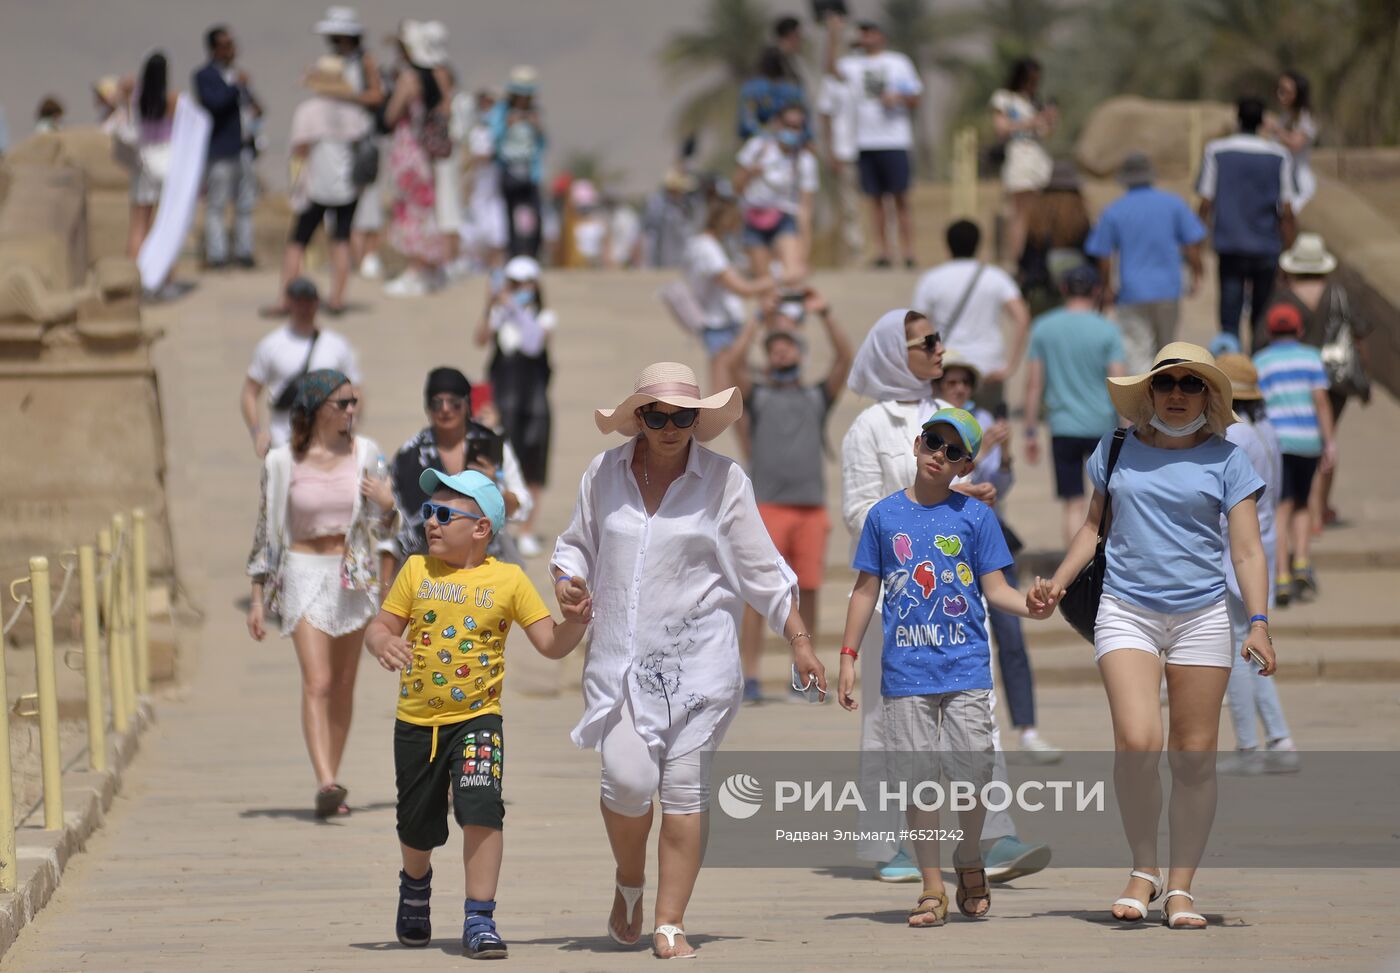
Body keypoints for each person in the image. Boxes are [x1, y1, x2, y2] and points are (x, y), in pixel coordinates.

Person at [550, 362, 825, 959]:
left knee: (683, 793)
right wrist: (568, 582)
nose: (671, 428)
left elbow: (762, 568)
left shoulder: (725, 481)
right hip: (623, 665)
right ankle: (630, 880)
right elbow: (575, 546)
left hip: (700, 667)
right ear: (639, 419)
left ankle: (670, 920)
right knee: (627, 782)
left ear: (699, 420)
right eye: (658, 417)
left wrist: (799, 639)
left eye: (683, 417)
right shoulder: (603, 473)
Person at [1029, 343, 1274, 929]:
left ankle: (1181, 888)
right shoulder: (1116, 448)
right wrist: (1057, 583)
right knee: (1138, 742)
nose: (1178, 394)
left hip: (1202, 616)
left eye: (1192, 384)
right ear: (1150, 392)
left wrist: (1259, 622)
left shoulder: (1229, 460)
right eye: (1168, 383)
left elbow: (1246, 550)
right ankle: (1144, 869)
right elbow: (1093, 528)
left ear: (1208, 397)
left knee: (1193, 758)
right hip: (1125, 610)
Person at [841, 309, 1050, 885]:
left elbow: (975, 482)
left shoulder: (945, 411)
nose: (940, 349)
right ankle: (893, 845)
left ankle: (991, 836)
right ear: (894, 352)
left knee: (976, 727)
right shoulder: (869, 425)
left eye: (938, 339)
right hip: (896, 600)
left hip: (956, 604)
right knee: (890, 730)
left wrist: (965, 493)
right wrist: (927, 502)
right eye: (927, 341)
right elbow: (857, 511)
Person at [364, 469, 589, 957]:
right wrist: (382, 642)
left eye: (444, 515)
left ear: (482, 528)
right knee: (416, 823)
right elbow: (380, 625)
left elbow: (550, 642)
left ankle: (479, 917)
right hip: (417, 723)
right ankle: (415, 886)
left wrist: (575, 623)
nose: (431, 523)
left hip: (479, 719)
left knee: (483, 806)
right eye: (428, 513)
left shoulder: (509, 580)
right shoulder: (416, 571)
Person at [246, 369, 399, 818]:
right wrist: (256, 597)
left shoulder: (367, 453)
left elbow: (385, 530)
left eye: (354, 402)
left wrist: (388, 505)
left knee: (345, 683)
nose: (352, 410)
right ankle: (325, 780)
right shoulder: (280, 461)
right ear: (316, 409)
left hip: (352, 573)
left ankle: (332, 780)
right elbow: (264, 532)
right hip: (302, 570)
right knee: (319, 681)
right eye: (342, 403)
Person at [714, 289, 852, 703]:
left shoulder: (816, 396)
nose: (781, 351)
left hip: (810, 508)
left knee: (808, 591)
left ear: (800, 353)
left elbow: (844, 359)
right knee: (757, 596)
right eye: (774, 347)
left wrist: (826, 313)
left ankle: (803, 674)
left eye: (787, 345)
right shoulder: (757, 395)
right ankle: (751, 674)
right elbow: (731, 364)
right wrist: (758, 318)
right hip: (767, 508)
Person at [937, 353, 1060, 761]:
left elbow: (997, 488)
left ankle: (1027, 728)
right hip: (947, 544)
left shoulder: (985, 418)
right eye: (952, 382)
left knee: (1011, 634)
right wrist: (982, 449)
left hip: (988, 536)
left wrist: (1004, 454)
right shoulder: (932, 426)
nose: (959, 389)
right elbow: (938, 487)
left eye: (965, 382)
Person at [1214, 354, 1299, 774]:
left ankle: (1249, 747)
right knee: (1251, 648)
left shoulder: (1234, 436)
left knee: (1237, 653)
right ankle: (1279, 739)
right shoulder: (1266, 431)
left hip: (1236, 553)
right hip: (1261, 545)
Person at [1268, 233, 1371, 527]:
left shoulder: (1283, 296)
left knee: (1299, 440)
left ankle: (1297, 503)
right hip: (1335, 379)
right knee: (1327, 439)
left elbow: (1263, 336)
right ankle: (1319, 507)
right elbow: (1359, 333)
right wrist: (1364, 372)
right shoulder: (1338, 293)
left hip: (1293, 376)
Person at [386, 367, 532, 573]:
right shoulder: (409, 456)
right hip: (430, 569)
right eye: (437, 403)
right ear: (427, 407)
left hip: (487, 564)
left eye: (454, 402)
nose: (446, 409)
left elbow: (522, 505)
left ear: (467, 404)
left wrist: (495, 490)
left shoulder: (492, 445)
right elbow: (393, 529)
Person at [1022, 265, 1127, 547]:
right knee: (1106, 501)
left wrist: (1030, 431)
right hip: (1102, 426)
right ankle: (1100, 561)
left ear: (1064, 289)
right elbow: (1119, 382)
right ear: (1096, 291)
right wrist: (1128, 429)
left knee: (1073, 503)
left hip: (1063, 426)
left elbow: (1034, 385)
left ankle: (1075, 565)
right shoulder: (1108, 330)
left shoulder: (1043, 327)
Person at [267, 56, 372, 316]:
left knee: (298, 241)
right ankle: (337, 299)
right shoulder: (354, 112)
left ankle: (285, 299)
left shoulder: (309, 111)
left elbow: (299, 149)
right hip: (347, 187)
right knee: (341, 240)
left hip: (316, 187)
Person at [1085, 152, 1206, 374]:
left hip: (1132, 291)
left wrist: (1107, 286)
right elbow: (1192, 243)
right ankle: (1167, 392)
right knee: (1167, 350)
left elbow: (1103, 254)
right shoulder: (1173, 204)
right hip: (1168, 288)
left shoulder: (1114, 210)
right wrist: (1197, 273)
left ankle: (1140, 395)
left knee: (1137, 352)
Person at [1197, 96, 1298, 348]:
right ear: (1262, 123)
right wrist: (1289, 252)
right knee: (1261, 317)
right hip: (1266, 247)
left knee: (1229, 317)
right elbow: (1286, 211)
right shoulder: (1280, 155)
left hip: (1230, 246)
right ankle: (1258, 364)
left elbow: (1206, 201)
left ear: (1237, 120)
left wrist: (1196, 244)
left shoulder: (1216, 151)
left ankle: (1231, 366)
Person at [1252, 303, 1335, 605]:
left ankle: (1282, 575)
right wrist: (1330, 442)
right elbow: (1321, 401)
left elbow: (1257, 403)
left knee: (1280, 507)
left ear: (1269, 331)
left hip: (1278, 442)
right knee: (1302, 502)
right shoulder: (1311, 358)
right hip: (1308, 442)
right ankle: (1301, 559)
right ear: (1299, 330)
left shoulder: (1260, 361)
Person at [826, 16, 922, 268]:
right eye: (863, 33)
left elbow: (915, 98)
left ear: (881, 36)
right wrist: (833, 35)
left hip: (895, 140)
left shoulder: (899, 62)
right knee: (875, 201)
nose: (866, 37)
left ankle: (909, 251)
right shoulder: (852, 64)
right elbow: (831, 71)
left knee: (901, 199)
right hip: (866, 142)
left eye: (871, 32)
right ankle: (883, 252)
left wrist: (898, 98)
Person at [473, 256, 554, 556]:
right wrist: (490, 305)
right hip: (502, 402)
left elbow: (534, 344)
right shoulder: (500, 315)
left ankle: (528, 529)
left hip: (534, 401)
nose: (518, 289)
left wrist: (515, 307)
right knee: (500, 463)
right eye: (513, 283)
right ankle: (500, 523)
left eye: (523, 284)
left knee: (534, 465)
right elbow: (480, 339)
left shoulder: (544, 317)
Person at [911, 219, 1030, 407]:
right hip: (988, 365)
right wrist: (1011, 366)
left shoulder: (931, 279)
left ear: (947, 245)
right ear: (978, 244)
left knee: (945, 423)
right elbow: (1022, 317)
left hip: (946, 367)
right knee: (988, 423)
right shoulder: (996, 276)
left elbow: (916, 327)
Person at [243, 278, 361, 456]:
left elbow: (356, 390)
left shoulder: (337, 345)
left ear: (317, 303)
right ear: (288, 303)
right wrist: (256, 433)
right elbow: (250, 393)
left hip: (328, 444)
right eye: (299, 302)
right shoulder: (270, 345)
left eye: (309, 302)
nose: (304, 308)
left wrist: (351, 423)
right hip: (282, 442)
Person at [313, 7, 387, 281]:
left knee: (366, 197)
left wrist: (346, 95)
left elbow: (376, 95)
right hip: (333, 139)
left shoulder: (365, 61)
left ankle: (367, 255)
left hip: (360, 137)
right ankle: (344, 256)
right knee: (336, 194)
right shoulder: (329, 62)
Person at [382, 20, 452, 298]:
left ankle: (416, 270)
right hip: (423, 155)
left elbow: (390, 115)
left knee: (410, 212)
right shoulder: (435, 77)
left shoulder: (409, 79)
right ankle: (431, 269)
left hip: (407, 153)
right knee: (425, 211)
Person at [681, 194, 775, 383]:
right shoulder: (707, 248)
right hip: (718, 324)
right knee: (722, 387)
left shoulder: (711, 245)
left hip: (724, 323)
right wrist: (777, 279)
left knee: (735, 383)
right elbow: (741, 288)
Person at [195, 26, 260, 270]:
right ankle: (217, 255)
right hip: (220, 150)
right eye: (225, 46)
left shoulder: (236, 75)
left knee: (245, 203)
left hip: (243, 149)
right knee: (217, 204)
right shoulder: (205, 76)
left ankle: (244, 251)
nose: (231, 50)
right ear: (214, 49)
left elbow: (250, 105)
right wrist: (234, 87)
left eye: (232, 44)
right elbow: (214, 104)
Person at [734, 102, 818, 285]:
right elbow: (736, 187)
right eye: (788, 125)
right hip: (754, 217)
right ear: (777, 123)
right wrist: (749, 173)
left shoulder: (805, 160)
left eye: (797, 127)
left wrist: (804, 253)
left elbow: (805, 208)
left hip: (785, 217)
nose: (792, 131)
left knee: (793, 275)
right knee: (763, 281)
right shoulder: (757, 147)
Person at [991, 58, 1056, 271]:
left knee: (1036, 211)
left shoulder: (1035, 101)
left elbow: (1045, 133)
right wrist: (1030, 122)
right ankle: (1018, 259)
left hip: (1038, 158)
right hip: (1018, 156)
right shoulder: (1004, 98)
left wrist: (1048, 121)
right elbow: (1001, 128)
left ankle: (1036, 257)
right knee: (1019, 211)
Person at [115, 51, 180, 260]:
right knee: (164, 224)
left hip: (144, 161)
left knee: (139, 223)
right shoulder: (172, 99)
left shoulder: (138, 98)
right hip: (166, 161)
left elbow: (119, 104)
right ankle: (163, 271)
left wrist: (125, 89)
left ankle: (134, 270)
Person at [815, 20, 863, 265]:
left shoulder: (867, 77)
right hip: (844, 150)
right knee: (848, 204)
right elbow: (825, 117)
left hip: (871, 148)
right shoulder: (833, 80)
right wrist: (831, 150)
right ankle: (854, 250)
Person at [1017, 160, 1090, 310]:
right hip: (1077, 289)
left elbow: (1026, 258)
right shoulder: (1080, 216)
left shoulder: (1037, 217)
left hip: (1042, 289)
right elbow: (1090, 254)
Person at [490, 66, 547, 259]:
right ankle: (513, 254)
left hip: (530, 170)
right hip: (509, 170)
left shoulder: (534, 113)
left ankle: (532, 253)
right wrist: (507, 124)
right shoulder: (502, 112)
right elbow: (493, 138)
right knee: (510, 213)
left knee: (535, 213)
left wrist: (537, 126)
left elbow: (543, 144)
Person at [461, 88, 508, 272]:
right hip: (479, 188)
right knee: (479, 228)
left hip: (496, 188)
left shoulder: (500, 130)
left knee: (497, 227)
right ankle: (482, 264)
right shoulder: (474, 132)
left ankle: (496, 264)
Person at [1265, 71, 1317, 212]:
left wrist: (1276, 130)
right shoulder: (1285, 117)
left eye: (1286, 91)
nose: (1280, 94)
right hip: (1284, 183)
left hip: (1299, 184)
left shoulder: (1306, 118)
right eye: (1279, 89)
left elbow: (1296, 144)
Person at [736, 44, 806, 142]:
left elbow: (747, 121)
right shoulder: (791, 88)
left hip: (778, 139)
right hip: (768, 140)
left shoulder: (750, 87)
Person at [641, 168, 697, 269]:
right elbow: (651, 234)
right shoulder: (658, 205)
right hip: (663, 258)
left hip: (680, 258)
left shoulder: (684, 206)